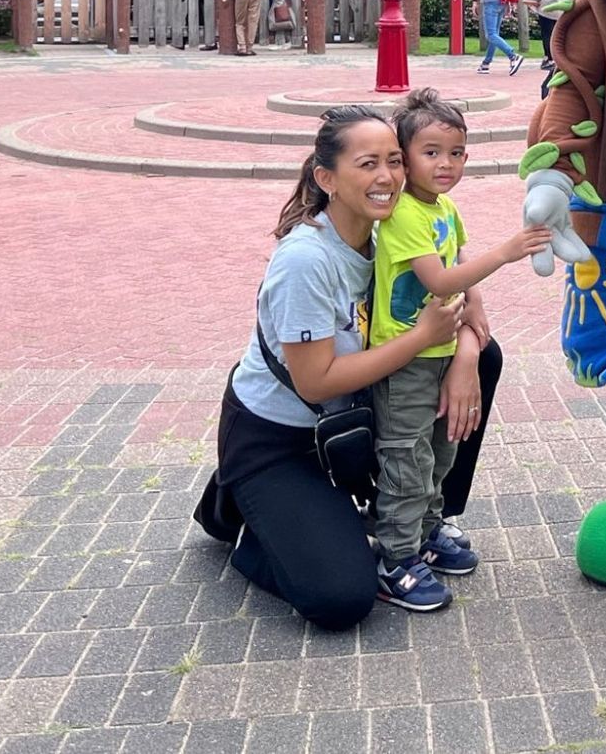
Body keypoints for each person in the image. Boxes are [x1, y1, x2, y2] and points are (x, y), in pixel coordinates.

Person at [192, 106, 506, 628]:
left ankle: (422, 524)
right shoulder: (307, 261)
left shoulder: (393, 228)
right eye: (367, 164)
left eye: (394, 162)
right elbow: (316, 380)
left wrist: (464, 356)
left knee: (483, 361)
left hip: (353, 422)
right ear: (326, 178)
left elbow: (465, 300)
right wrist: (424, 339)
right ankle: (248, 515)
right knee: (340, 597)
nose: (386, 178)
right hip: (283, 439)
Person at [370, 93, 551, 610]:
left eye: (456, 152)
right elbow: (438, 276)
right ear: (404, 158)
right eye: (431, 152)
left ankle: (427, 533)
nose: (446, 164)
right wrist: (507, 253)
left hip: (442, 349)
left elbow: (457, 257)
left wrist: (474, 302)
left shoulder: (443, 206)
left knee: (440, 450)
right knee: (406, 458)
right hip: (405, 359)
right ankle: (395, 557)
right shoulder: (404, 213)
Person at [529, 0, 571, 96]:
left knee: (546, 33)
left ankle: (549, 57)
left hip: (548, 8)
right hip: (560, 10)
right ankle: (554, 56)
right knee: (555, 34)